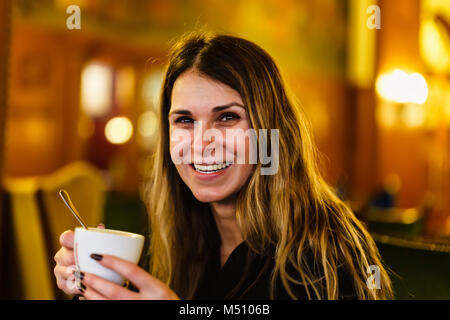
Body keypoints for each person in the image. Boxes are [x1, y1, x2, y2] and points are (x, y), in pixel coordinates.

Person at [54, 31, 393, 300]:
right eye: (184, 120)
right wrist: (97, 286)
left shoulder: (326, 253)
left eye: (228, 117)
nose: (202, 143)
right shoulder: (182, 234)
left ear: (270, 133)